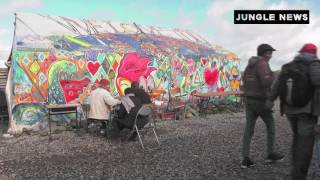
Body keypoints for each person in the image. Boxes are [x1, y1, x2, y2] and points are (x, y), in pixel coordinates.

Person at [268, 43, 320, 180]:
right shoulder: (314, 64)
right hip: (306, 112)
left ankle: (295, 168)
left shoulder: (289, 65)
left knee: (297, 138)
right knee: (305, 144)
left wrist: (270, 100)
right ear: (314, 53)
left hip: (289, 110)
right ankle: (299, 175)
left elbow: (276, 85)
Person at [241, 43, 284, 168]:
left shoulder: (250, 64)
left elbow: (244, 80)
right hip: (259, 101)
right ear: (265, 53)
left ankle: (245, 159)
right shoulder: (262, 63)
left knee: (249, 129)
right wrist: (275, 75)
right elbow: (266, 82)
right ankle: (270, 154)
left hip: (248, 100)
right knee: (270, 125)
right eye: (269, 53)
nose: (271, 55)